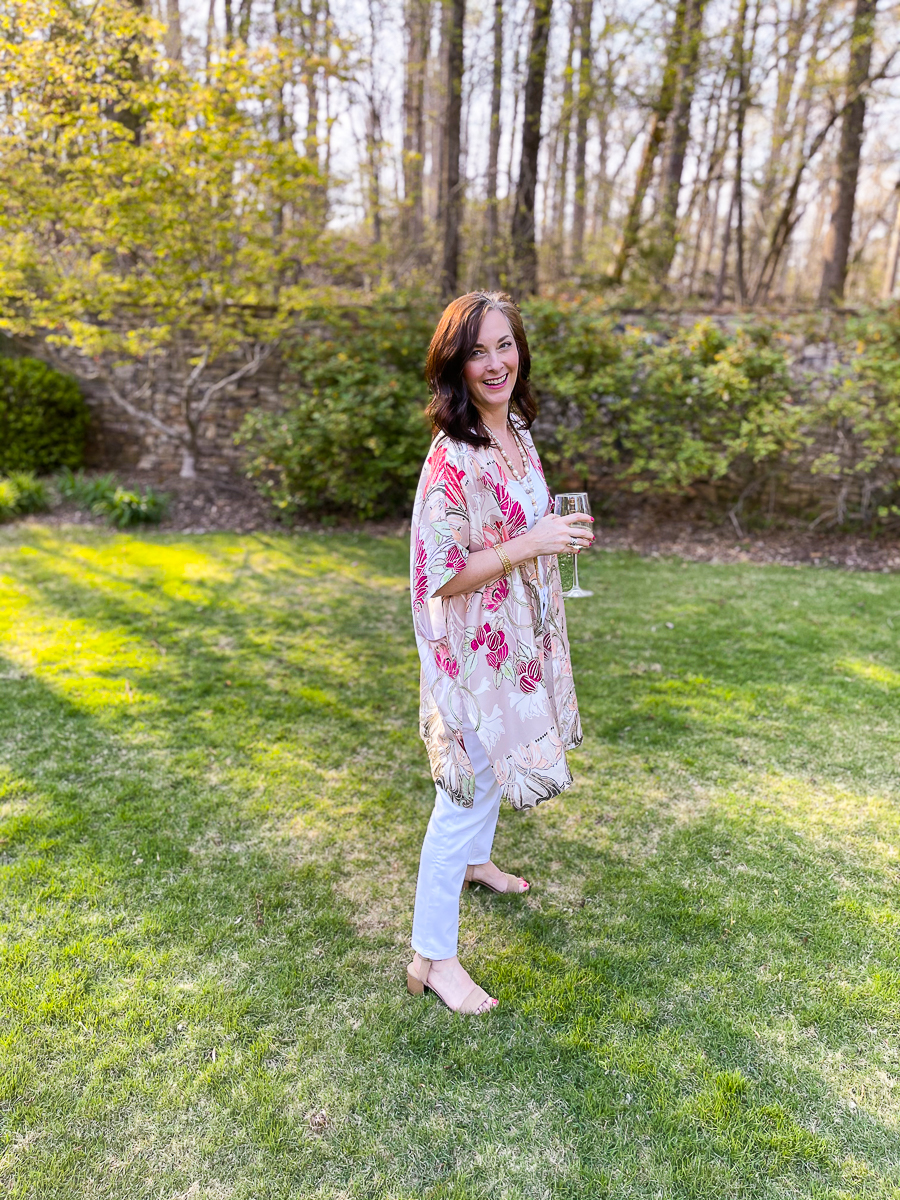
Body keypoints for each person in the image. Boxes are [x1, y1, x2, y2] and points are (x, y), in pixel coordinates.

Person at [407, 291, 591, 1015]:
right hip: (472, 644)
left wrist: (554, 531)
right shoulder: (451, 458)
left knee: (486, 774)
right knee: (465, 785)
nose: (495, 363)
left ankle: (477, 864)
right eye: (477, 350)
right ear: (455, 363)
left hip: (517, 631)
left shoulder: (515, 427)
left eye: (505, 345)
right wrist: (531, 543)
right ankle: (432, 955)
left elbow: (520, 520)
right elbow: (441, 575)